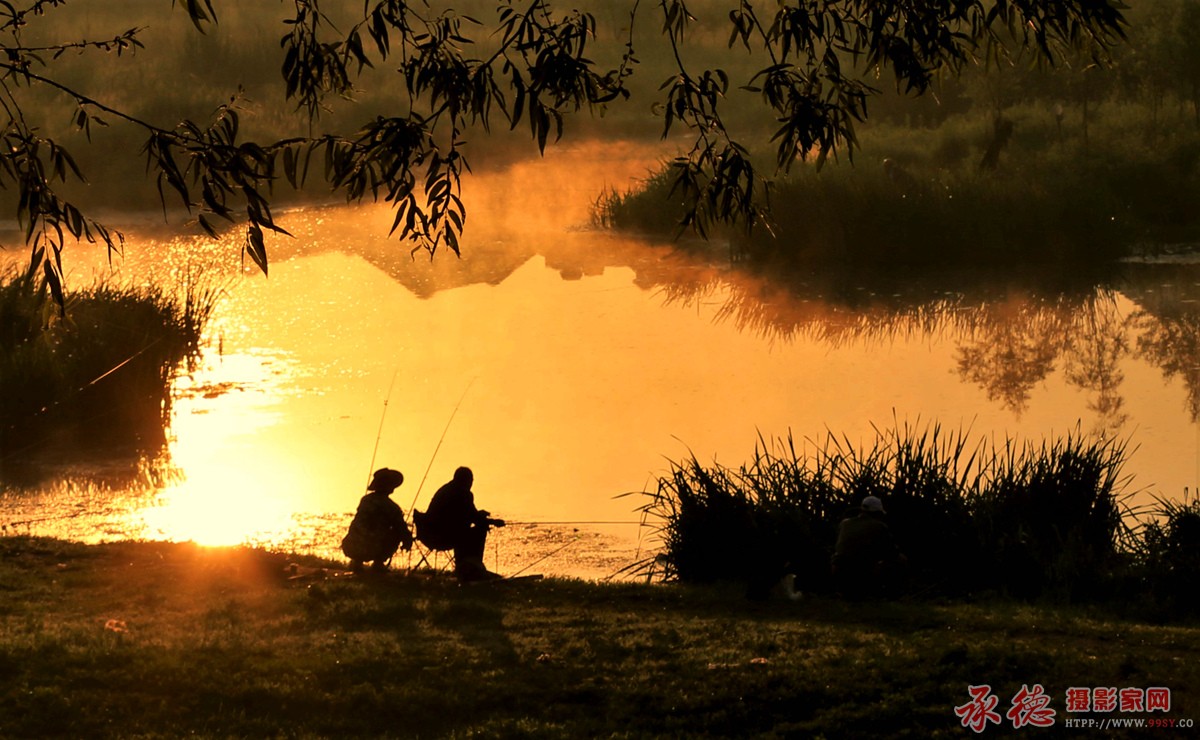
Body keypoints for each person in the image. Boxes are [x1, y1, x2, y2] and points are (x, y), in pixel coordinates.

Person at [416, 466, 505, 581]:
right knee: (480, 529)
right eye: (471, 480)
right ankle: (470, 567)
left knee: (465, 530)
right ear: (467, 480)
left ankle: (465, 566)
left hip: (430, 534)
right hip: (445, 536)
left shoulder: (445, 489)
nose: (471, 483)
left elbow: (466, 514)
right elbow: (473, 517)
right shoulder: (463, 493)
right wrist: (493, 522)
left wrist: (479, 515)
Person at [831, 495, 907, 599]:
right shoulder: (879, 526)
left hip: (839, 572)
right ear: (877, 513)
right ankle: (893, 593)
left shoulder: (844, 523)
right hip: (862, 573)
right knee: (901, 559)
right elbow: (892, 552)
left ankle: (843, 590)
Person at [341, 467, 413, 572]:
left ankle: (357, 563)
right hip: (373, 548)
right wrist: (407, 540)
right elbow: (401, 527)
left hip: (351, 546)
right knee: (395, 533)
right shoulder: (392, 507)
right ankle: (378, 564)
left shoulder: (365, 500)